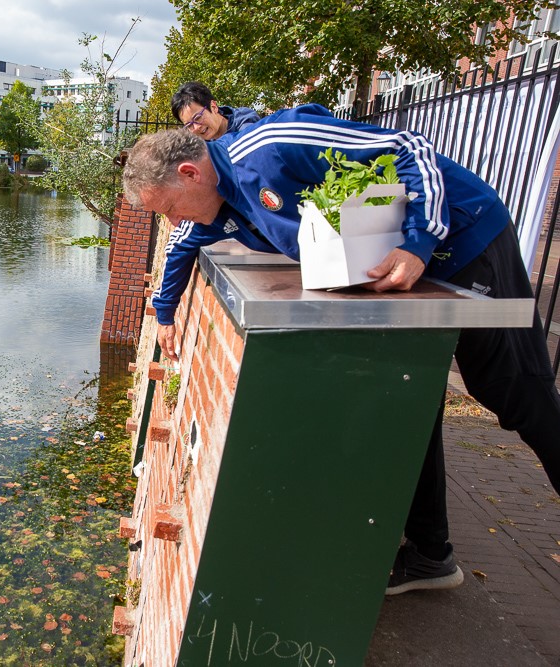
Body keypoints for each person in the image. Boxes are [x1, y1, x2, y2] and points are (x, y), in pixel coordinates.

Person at [122, 108, 560, 595]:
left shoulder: (272, 143)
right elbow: (184, 245)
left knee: (517, 393)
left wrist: (418, 241)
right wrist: (164, 312)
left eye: (167, 208)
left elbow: (406, 149)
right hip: (391, 274)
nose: (171, 221)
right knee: (412, 406)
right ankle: (431, 556)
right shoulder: (219, 205)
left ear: (190, 172)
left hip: (460, 241)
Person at [171, 81, 261, 140]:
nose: (196, 127)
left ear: (213, 107)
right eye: (189, 125)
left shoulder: (244, 120)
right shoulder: (195, 144)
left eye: (198, 118)